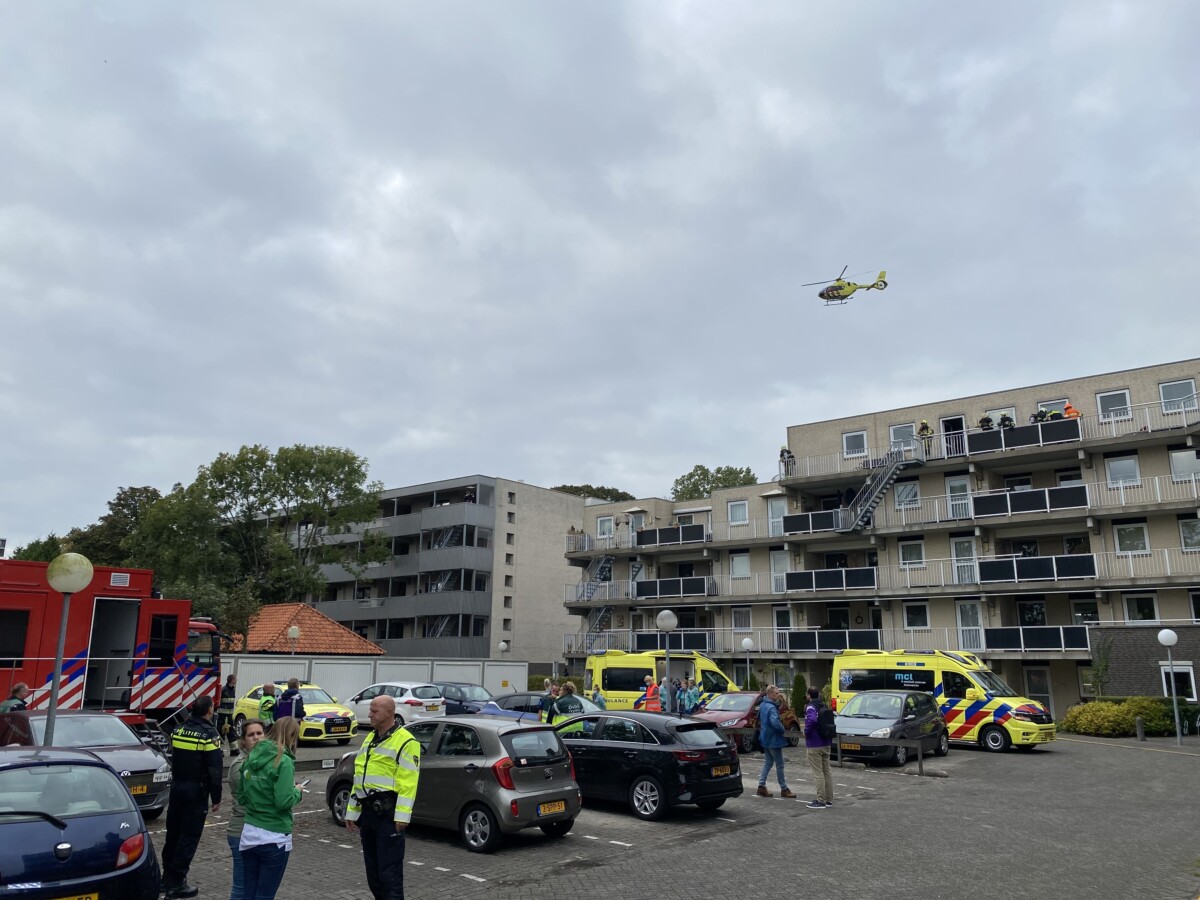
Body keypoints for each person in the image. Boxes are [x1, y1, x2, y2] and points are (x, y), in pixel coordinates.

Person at [346, 695, 421, 900]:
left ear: (389, 713)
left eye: (374, 711)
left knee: (390, 876)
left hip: (388, 815)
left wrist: (402, 817)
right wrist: (352, 811)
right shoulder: (371, 738)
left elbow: (409, 782)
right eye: (370, 710)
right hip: (369, 814)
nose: (369, 714)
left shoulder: (406, 741)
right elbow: (360, 776)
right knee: (374, 875)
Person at [163, 695, 223, 899]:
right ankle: (177, 883)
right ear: (209, 710)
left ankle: (166, 877)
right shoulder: (209, 734)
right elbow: (215, 769)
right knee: (188, 836)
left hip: (177, 788)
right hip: (196, 792)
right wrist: (216, 797)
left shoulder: (178, 730)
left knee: (173, 833)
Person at [238, 717, 302, 900]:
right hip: (274, 835)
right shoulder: (284, 761)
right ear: (292, 736)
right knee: (265, 895)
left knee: (248, 893)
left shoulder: (250, 757)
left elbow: (242, 796)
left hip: (249, 833)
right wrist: (297, 792)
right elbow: (283, 802)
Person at [227, 718, 266, 900]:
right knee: (242, 887)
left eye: (259, 733)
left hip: (259, 831)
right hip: (241, 831)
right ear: (243, 740)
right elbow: (258, 797)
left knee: (257, 885)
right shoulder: (239, 766)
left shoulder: (262, 761)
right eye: (251, 735)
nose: (256, 738)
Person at [755, 686, 794, 799]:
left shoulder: (763, 705)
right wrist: (782, 729)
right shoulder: (771, 708)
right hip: (773, 739)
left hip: (765, 737)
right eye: (776, 693)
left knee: (768, 762)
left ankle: (761, 786)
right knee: (780, 764)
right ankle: (784, 788)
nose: (778, 695)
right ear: (770, 694)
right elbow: (774, 722)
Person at [803, 687, 834, 809]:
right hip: (826, 742)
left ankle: (820, 800)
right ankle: (829, 799)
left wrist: (806, 731)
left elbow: (812, 720)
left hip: (814, 744)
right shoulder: (824, 706)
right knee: (827, 772)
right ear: (819, 694)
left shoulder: (811, 707)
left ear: (808, 695)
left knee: (818, 773)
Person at [218, 674, 239, 758]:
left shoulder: (232, 690)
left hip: (229, 716)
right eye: (235, 679)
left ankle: (234, 750)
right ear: (231, 680)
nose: (236, 680)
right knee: (221, 732)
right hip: (222, 716)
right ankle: (220, 750)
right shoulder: (223, 690)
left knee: (231, 733)